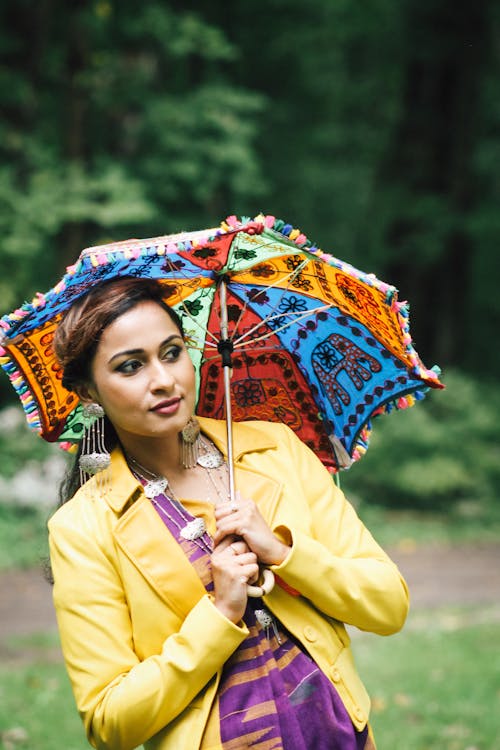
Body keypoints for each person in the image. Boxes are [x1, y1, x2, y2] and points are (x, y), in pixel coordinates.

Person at [48, 276, 409, 750]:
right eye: (131, 366)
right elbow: (109, 722)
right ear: (88, 392)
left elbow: (388, 605)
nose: (164, 380)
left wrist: (284, 553)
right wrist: (220, 612)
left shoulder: (276, 450)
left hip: (337, 733)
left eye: (172, 352)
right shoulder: (83, 527)